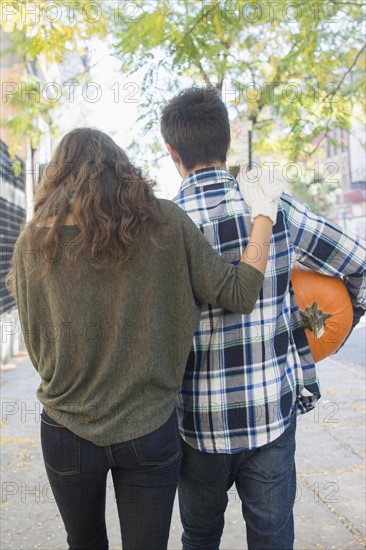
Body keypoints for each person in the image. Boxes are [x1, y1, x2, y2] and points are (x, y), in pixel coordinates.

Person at [6, 127, 280, 550]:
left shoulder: (32, 245)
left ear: (56, 176)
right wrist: (264, 214)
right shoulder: (166, 223)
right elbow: (240, 293)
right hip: (149, 430)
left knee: (83, 542)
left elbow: (40, 352)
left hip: (66, 429)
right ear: (123, 169)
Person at [160, 86, 366, 550]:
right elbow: (358, 263)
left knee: (199, 537)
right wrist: (329, 331)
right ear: (229, 139)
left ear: (170, 151)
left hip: (195, 424)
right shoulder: (276, 210)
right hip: (270, 414)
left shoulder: (164, 226)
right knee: (273, 540)